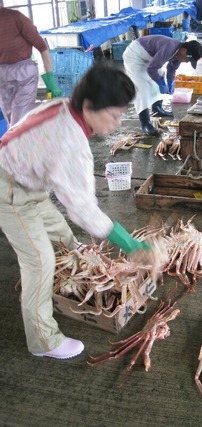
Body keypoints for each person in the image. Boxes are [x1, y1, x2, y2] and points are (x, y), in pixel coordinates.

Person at [0, 63, 156, 359]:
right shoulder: (71, 142)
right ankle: (43, 340)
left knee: (64, 237)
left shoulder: (63, 106)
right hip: (8, 191)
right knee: (40, 261)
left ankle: (66, 291)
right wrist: (130, 244)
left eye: (121, 114)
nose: (117, 123)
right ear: (88, 106)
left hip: (27, 183)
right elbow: (83, 209)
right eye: (113, 115)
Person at [123, 35, 202, 136]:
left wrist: (170, 82)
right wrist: (161, 83)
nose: (187, 62)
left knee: (160, 75)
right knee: (141, 87)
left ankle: (157, 108)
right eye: (189, 59)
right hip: (134, 55)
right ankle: (145, 123)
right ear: (183, 51)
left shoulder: (179, 54)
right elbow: (152, 69)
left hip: (147, 58)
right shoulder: (169, 48)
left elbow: (172, 69)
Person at [0, 6, 62, 128]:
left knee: (19, 119)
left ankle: (16, 144)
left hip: (24, 75)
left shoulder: (16, 18)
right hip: (2, 76)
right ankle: (19, 142)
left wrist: (50, 81)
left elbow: (42, 48)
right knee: (9, 117)